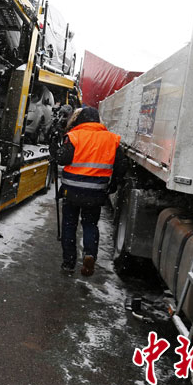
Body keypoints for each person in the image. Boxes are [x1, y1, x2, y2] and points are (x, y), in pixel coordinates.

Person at [56, 106, 124, 276]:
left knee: (69, 226)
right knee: (90, 224)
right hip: (95, 193)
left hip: (71, 191)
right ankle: (89, 254)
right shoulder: (112, 139)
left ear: (80, 120)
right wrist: (114, 183)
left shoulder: (73, 136)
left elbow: (62, 159)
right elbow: (121, 166)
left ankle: (69, 263)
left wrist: (55, 146)